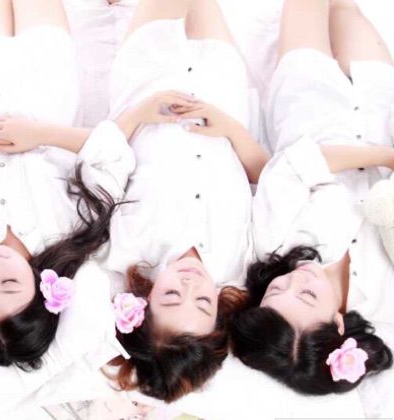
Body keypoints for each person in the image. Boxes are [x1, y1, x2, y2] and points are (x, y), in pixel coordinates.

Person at [104, 0, 269, 402]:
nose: (191, 284)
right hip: (221, 96)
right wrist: (231, 128)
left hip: (148, 88)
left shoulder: (124, 250)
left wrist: (140, 113)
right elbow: (266, 179)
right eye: (204, 302)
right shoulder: (241, 265)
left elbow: (102, 158)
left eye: (172, 296)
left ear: (145, 303)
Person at [230, 0, 394, 395]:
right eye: (306, 294)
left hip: (310, 108)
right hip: (380, 112)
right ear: (338, 325)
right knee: (348, 11)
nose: (294, 279)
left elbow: (297, 164)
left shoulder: (273, 245)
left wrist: (390, 159)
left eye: (275, 291)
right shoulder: (387, 296)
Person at [0, 0, 135, 369]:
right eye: (10, 284)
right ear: (40, 291)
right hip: (44, 87)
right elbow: (114, 153)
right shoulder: (75, 233)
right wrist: (39, 135)